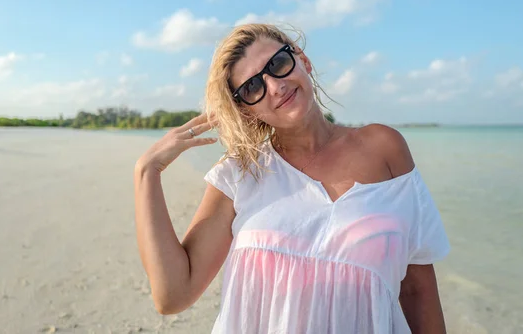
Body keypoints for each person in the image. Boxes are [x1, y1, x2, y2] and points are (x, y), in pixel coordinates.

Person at [134, 23, 450, 333]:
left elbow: (416, 289)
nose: (275, 86)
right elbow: (172, 296)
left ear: (303, 60)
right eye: (252, 87)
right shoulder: (241, 172)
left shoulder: (384, 148)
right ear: (246, 110)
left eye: (278, 64)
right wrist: (147, 172)